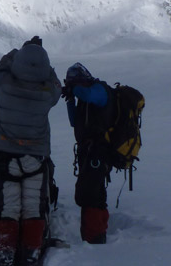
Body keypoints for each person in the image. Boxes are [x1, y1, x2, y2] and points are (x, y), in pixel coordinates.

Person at [0, 39, 61, 266]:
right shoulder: (47, 93)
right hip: (35, 157)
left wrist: (16, 52)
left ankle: (4, 252)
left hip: (4, 156)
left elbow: (0, 67)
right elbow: (56, 84)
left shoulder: (4, 84)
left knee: (8, 206)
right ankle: (30, 250)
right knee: (32, 206)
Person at [61, 62, 112, 244]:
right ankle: (94, 235)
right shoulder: (84, 96)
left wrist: (73, 89)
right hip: (87, 151)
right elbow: (75, 121)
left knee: (89, 193)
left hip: (98, 150)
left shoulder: (99, 89)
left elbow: (91, 96)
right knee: (92, 193)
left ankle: (95, 237)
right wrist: (70, 101)